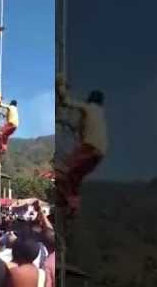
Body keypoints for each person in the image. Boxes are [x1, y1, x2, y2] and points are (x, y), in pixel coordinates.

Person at [57, 74, 107, 214]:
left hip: (88, 147)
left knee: (63, 171)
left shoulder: (88, 107)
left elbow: (65, 102)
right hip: (100, 152)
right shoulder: (99, 113)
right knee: (75, 178)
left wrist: (60, 84)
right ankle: (73, 206)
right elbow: (79, 128)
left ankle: (65, 201)